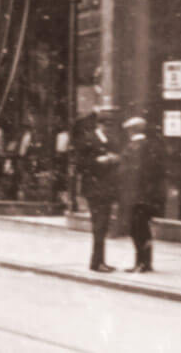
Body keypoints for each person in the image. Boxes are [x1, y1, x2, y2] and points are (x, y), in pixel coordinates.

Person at [121, 116, 166, 273]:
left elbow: (139, 172)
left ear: (133, 130)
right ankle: (143, 262)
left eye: (129, 129)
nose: (128, 132)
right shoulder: (145, 146)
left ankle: (143, 262)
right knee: (140, 228)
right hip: (142, 195)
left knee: (138, 229)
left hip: (139, 196)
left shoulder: (139, 147)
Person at [76, 114, 121, 272]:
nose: (108, 129)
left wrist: (114, 159)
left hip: (106, 189)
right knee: (99, 225)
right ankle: (96, 263)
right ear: (99, 125)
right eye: (106, 126)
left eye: (111, 126)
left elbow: (117, 159)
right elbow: (80, 165)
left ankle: (101, 261)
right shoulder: (88, 140)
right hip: (94, 189)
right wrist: (98, 162)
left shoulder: (110, 141)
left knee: (103, 226)